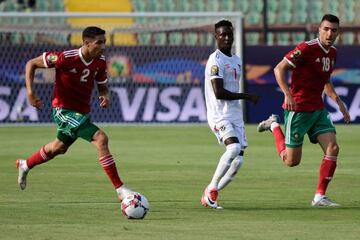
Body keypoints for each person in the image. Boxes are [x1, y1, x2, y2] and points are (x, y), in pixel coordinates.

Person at [16, 26, 133, 202]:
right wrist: (30, 92)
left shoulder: (100, 62)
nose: (103, 46)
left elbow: (102, 85)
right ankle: (120, 189)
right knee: (101, 139)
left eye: (104, 42)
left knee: (58, 148)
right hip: (63, 109)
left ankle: (25, 164)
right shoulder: (65, 58)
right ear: (86, 43)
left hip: (81, 112)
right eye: (99, 43)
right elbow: (31, 64)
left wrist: (105, 95)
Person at [257, 14, 350, 207]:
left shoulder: (332, 53)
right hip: (298, 109)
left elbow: (325, 80)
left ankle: (319, 197)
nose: (329, 33)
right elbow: (278, 68)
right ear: (319, 29)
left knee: (333, 147)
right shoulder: (306, 48)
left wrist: (339, 102)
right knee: (291, 162)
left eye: (334, 30)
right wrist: (287, 94)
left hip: (317, 109)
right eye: (326, 29)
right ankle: (273, 124)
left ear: (338, 32)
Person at [201, 20, 259, 209]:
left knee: (238, 161)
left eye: (229, 34)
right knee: (233, 149)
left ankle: (210, 192)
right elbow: (219, 93)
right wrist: (247, 96)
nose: (226, 38)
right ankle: (211, 191)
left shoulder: (236, 60)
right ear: (216, 37)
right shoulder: (215, 60)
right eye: (222, 34)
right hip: (219, 114)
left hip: (235, 115)